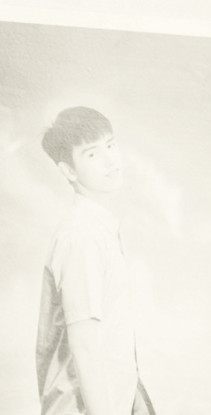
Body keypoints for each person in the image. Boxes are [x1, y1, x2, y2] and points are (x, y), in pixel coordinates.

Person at [36, 107, 154, 414]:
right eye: (91, 154)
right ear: (69, 171)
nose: (110, 160)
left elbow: (112, 338)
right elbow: (84, 346)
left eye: (110, 145)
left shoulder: (98, 228)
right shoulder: (81, 236)